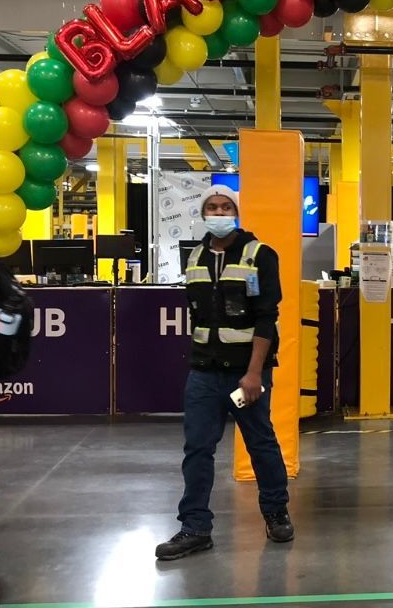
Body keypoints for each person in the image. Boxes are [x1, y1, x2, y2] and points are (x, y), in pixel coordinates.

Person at [156, 185, 293, 561]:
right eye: (212, 207)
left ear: (237, 212)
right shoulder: (196, 255)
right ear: (204, 213)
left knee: (260, 443)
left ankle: (276, 512)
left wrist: (254, 374)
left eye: (225, 207)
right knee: (197, 449)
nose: (218, 213)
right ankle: (195, 527)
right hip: (203, 374)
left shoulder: (259, 254)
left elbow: (266, 318)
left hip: (244, 377)